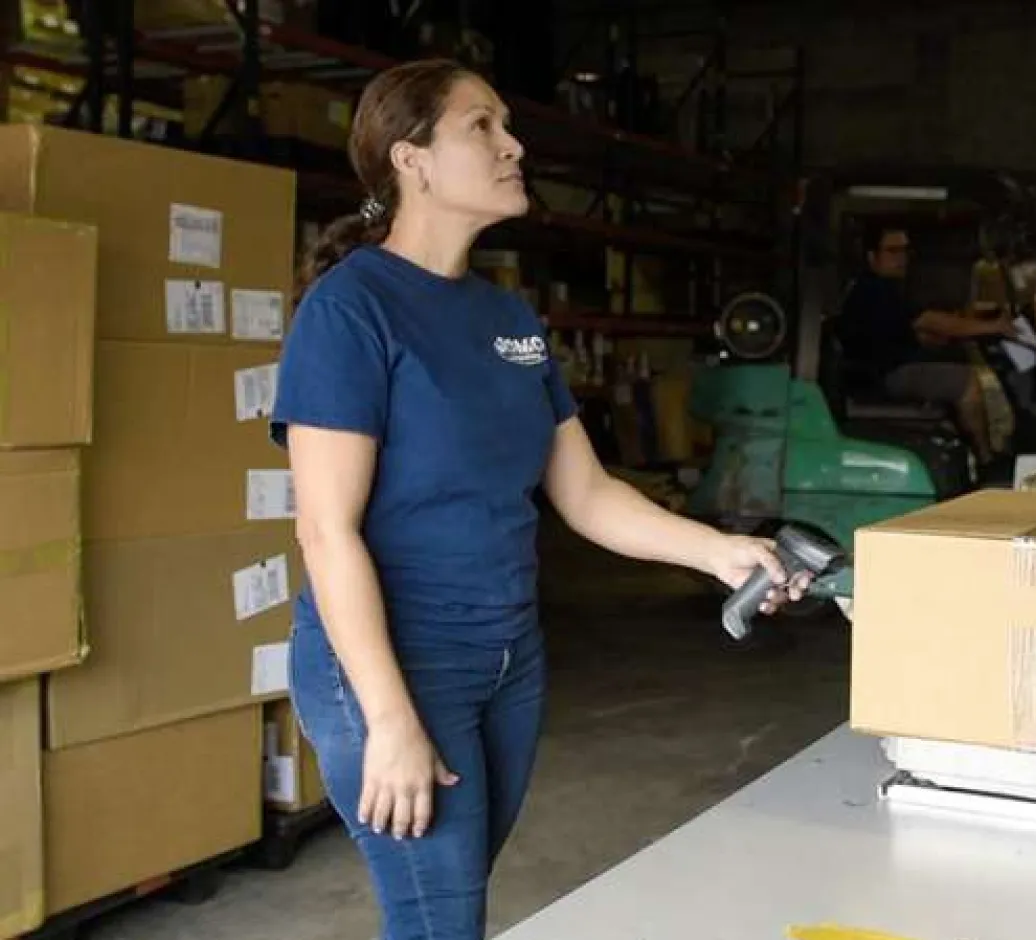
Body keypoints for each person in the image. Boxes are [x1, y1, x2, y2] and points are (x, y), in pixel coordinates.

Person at [269, 59, 808, 940]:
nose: (513, 143)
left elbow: (585, 492)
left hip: (509, 658)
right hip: (399, 663)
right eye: (481, 126)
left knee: (448, 906)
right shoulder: (350, 311)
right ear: (412, 160)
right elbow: (326, 532)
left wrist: (719, 552)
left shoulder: (510, 319)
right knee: (442, 921)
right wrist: (390, 719)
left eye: (504, 122)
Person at [835, 225, 1017, 460]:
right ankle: (986, 459)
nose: (901, 259)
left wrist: (944, 339)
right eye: (892, 251)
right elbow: (930, 321)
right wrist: (993, 327)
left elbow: (909, 331)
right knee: (967, 381)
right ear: (872, 257)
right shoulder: (875, 290)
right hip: (885, 375)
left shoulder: (882, 289)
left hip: (886, 368)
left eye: (904, 251)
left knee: (954, 361)